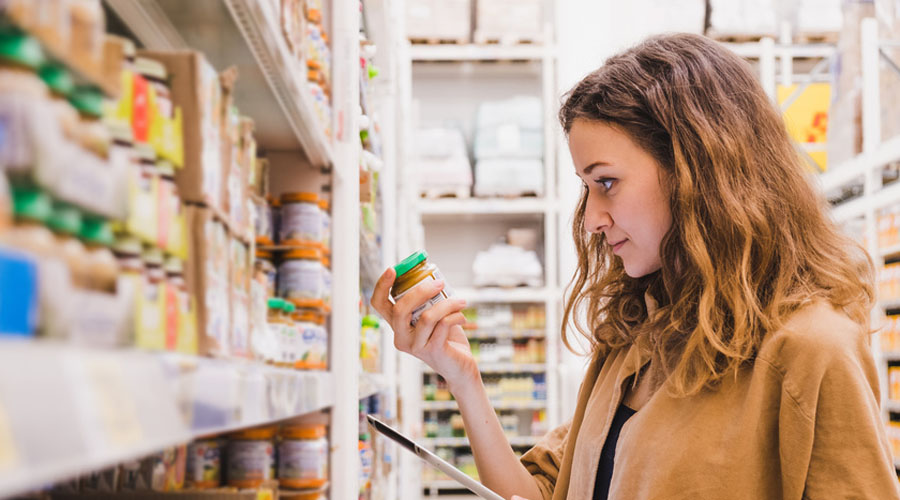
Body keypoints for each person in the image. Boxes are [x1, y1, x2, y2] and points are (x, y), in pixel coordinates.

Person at [370, 33, 900, 499]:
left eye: (607, 182)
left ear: (697, 169)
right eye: (585, 189)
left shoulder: (810, 352)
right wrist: (462, 377)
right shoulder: (634, 340)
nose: (592, 220)